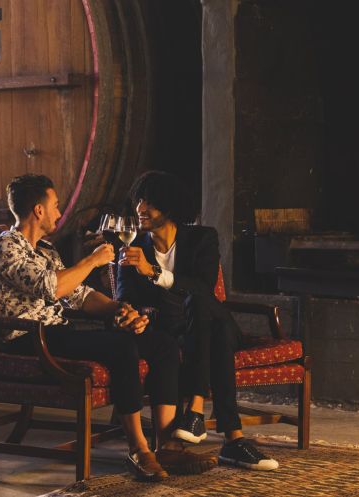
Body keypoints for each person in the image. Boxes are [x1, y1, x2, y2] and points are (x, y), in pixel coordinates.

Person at [0, 174, 215, 481]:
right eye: (54, 206)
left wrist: (121, 310)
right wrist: (93, 261)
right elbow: (51, 287)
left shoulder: (46, 250)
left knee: (162, 344)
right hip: (28, 337)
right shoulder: (5, 248)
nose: (58, 212)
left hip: (59, 332)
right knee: (122, 347)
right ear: (38, 211)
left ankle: (168, 445)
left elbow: (79, 295)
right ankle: (138, 450)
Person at [117, 170, 279, 471]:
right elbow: (125, 297)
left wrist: (154, 274)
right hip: (176, 331)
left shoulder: (202, 238)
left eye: (150, 201)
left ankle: (194, 406)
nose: (141, 209)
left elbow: (203, 288)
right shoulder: (133, 248)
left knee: (200, 300)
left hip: (203, 322)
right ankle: (232, 439)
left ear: (170, 206)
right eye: (138, 200)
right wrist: (134, 310)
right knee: (213, 327)